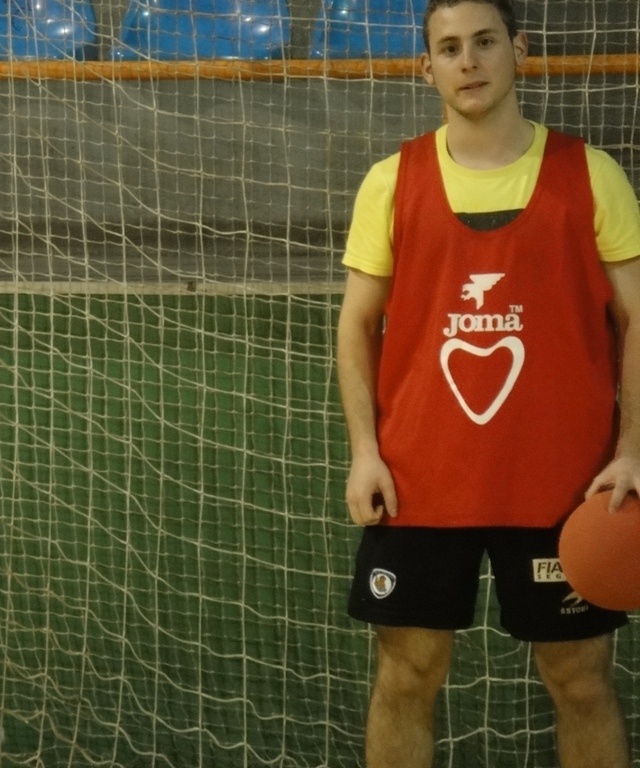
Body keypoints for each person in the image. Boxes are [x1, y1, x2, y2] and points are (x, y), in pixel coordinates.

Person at [336, 0, 640, 765]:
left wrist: (633, 448)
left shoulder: (591, 175)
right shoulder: (390, 180)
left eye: (483, 42)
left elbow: (639, 321)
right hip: (418, 481)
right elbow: (354, 326)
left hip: (563, 485)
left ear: (519, 50)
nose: (467, 61)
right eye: (448, 47)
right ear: (426, 66)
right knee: (407, 674)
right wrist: (364, 452)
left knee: (580, 680)